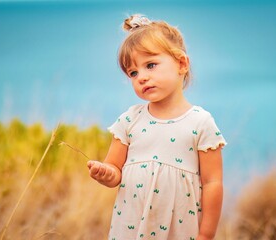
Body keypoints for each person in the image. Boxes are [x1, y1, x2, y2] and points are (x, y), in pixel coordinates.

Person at [87, 14, 227, 240]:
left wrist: (206, 235)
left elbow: (212, 183)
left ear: (181, 64)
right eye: (133, 72)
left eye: (150, 65)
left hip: (180, 231)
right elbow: (115, 170)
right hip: (130, 229)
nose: (141, 77)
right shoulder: (129, 120)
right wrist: (106, 173)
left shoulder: (201, 123)